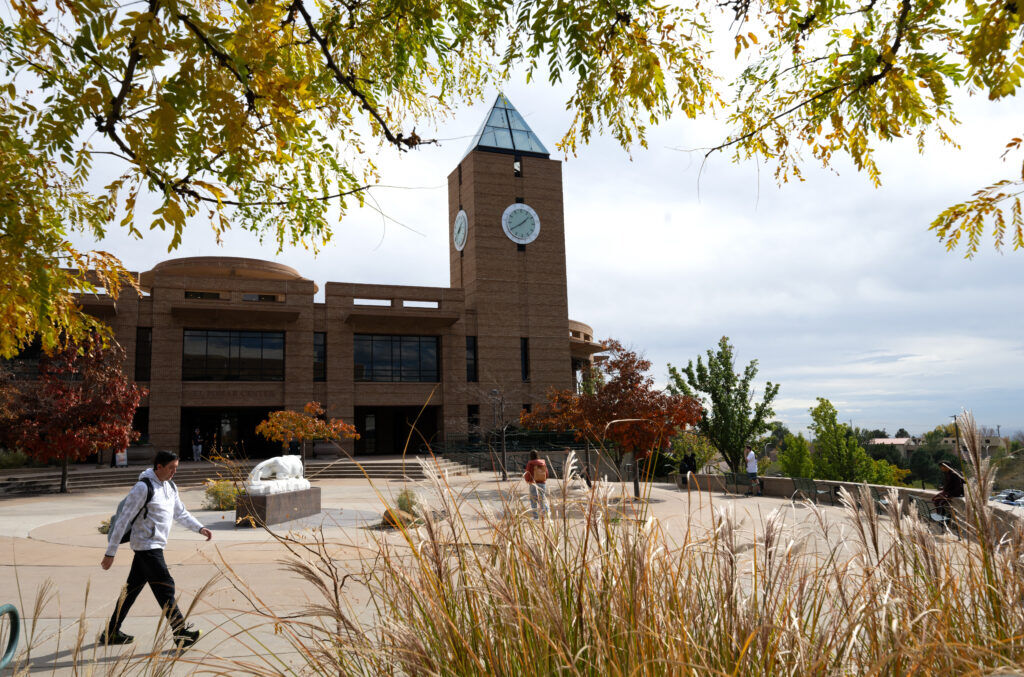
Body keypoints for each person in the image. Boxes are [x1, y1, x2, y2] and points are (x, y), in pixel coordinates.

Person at [100, 450, 212, 648]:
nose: (173, 472)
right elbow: (123, 520)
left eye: (176, 468)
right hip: (146, 547)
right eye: (170, 468)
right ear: (158, 466)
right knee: (165, 586)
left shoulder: (170, 487)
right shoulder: (143, 487)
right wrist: (110, 552)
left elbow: (181, 513)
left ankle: (111, 632)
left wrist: (199, 528)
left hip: (155, 545)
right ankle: (180, 633)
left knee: (131, 591)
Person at [523, 450, 549, 519]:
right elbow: (546, 473)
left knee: (533, 500)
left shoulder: (530, 463)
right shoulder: (543, 463)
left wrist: (527, 480)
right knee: (542, 499)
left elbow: (527, 473)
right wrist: (544, 479)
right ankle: (545, 514)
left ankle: (535, 517)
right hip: (542, 483)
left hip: (533, 483)